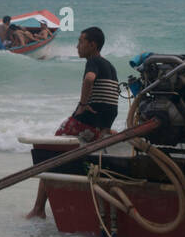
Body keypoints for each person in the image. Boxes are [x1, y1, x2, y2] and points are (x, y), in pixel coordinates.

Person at [27, 27, 118, 219]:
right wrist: (104, 126)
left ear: (93, 45)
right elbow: (111, 100)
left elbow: (89, 79)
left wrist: (83, 105)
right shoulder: (110, 66)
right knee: (69, 159)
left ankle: (38, 209)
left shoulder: (93, 61)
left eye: (81, 41)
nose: (77, 46)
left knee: (49, 154)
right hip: (100, 126)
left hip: (86, 122)